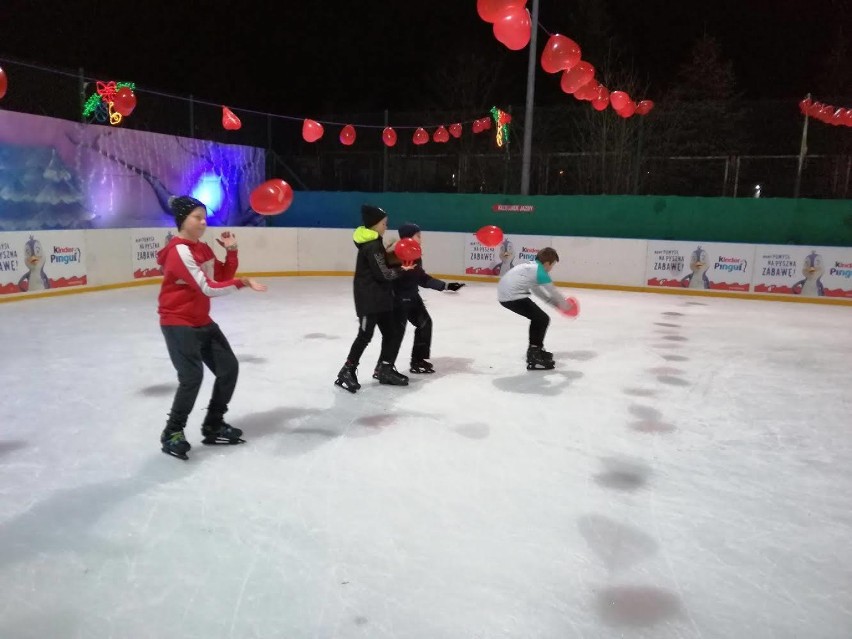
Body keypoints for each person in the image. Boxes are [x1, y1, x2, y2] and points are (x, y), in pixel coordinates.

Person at [157, 195, 267, 460]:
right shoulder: (179, 251)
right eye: (197, 217)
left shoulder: (202, 248)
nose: (203, 222)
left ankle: (213, 423)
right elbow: (207, 287)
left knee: (228, 368)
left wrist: (231, 252)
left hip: (201, 320)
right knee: (192, 377)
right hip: (178, 322)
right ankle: (172, 432)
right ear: (183, 220)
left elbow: (220, 277)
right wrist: (242, 283)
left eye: (204, 217)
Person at [335, 204, 413, 393]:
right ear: (375, 224)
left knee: (392, 332)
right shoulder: (372, 245)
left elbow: (381, 266)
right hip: (369, 300)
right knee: (365, 336)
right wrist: (402, 269)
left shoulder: (375, 243)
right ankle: (347, 370)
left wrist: (391, 254)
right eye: (384, 223)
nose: (386, 226)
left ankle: (385, 368)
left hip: (381, 298)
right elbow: (383, 274)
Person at [388, 222, 465, 374]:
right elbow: (388, 276)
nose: (421, 239)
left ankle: (418, 360)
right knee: (396, 333)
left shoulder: (414, 254)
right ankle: (384, 367)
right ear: (409, 237)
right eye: (418, 236)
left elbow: (421, 278)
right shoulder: (395, 253)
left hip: (411, 295)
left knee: (425, 324)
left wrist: (445, 286)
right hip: (398, 299)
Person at [497, 247, 579, 370]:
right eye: (552, 265)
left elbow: (536, 289)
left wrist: (554, 304)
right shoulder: (540, 271)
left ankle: (536, 350)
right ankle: (534, 354)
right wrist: (565, 305)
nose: (551, 269)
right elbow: (552, 291)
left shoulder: (532, 268)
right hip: (512, 296)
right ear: (547, 263)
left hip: (507, 295)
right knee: (541, 319)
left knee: (540, 318)